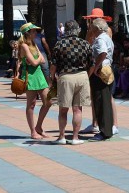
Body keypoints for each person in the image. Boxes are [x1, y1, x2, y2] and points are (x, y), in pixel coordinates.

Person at [50, 20, 92, 145]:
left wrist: (52, 77)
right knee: (78, 109)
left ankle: (62, 137)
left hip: (65, 77)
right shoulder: (85, 44)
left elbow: (53, 64)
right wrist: (87, 76)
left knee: (63, 109)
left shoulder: (60, 44)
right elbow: (92, 64)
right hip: (82, 76)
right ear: (78, 30)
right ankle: (75, 137)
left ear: (66, 31)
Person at [80, 8, 119, 136]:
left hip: (102, 67)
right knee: (98, 97)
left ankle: (111, 125)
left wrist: (96, 67)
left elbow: (101, 50)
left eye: (92, 19)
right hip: (102, 66)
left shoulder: (104, 33)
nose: (90, 22)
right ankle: (97, 123)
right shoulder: (97, 32)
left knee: (105, 98)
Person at [16, 22, 51, 140]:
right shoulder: (24, 46)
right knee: (31, 104)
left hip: (39, 75)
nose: (36, 32)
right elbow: (37, 61)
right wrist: (38, 59)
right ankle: (33, 131)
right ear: (28, 33)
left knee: (48, 102)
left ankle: (39, 127)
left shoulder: (34, 44)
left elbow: (42, 60)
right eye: (34, 31)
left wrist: (38, 59)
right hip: (30, 76)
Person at [87, 18, 114, 141]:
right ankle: (107, 128)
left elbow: (102, 53)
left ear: (97, 28)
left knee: (100, 100)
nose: (90, 28)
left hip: (101, 71)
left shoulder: (100, 39)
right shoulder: (106, 37)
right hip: (107, 69)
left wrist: (96, 67)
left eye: (92, 26)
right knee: (105, 100)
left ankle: (104, 131)